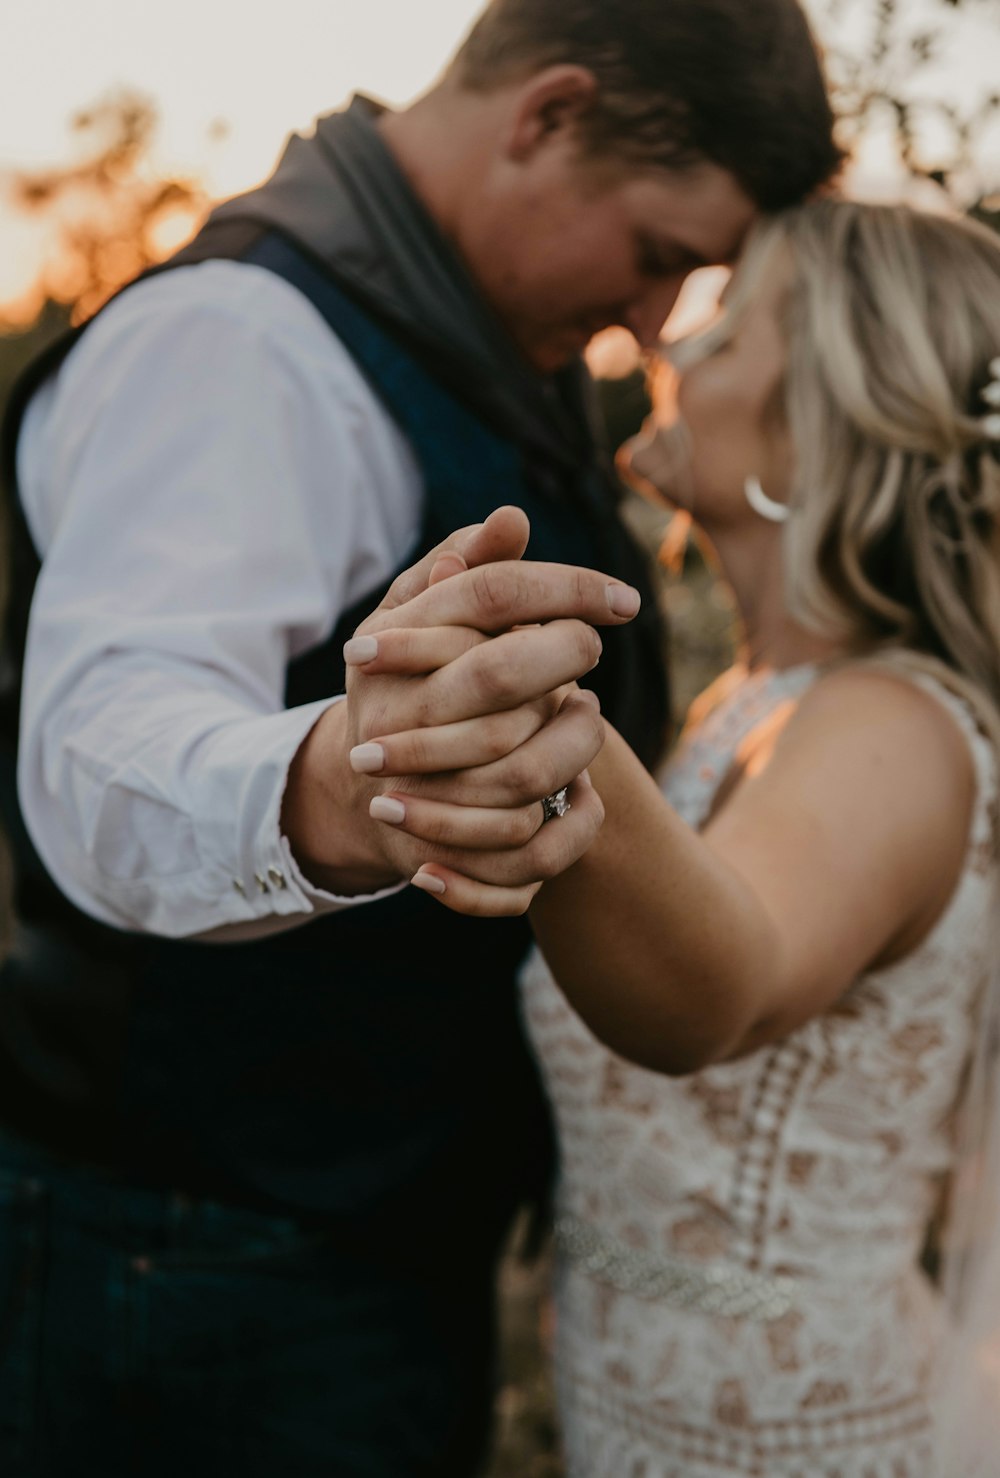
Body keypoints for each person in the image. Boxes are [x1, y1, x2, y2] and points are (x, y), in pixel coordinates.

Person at [0, 1, 840, 1474]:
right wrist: (344, 779)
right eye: (659, 256)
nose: (656, 326)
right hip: (191, 1276)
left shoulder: (476, 348)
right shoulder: (240, 342)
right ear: (549, 116)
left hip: (365, 1258)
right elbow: (97, 750)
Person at [358, 200, 1000, 1475]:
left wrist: (538, 720)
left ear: (821, 410)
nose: (665, 344)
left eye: (718, 322)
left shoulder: (894, 725)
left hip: (802, 1444)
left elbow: (722, 985)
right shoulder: (748, 706)